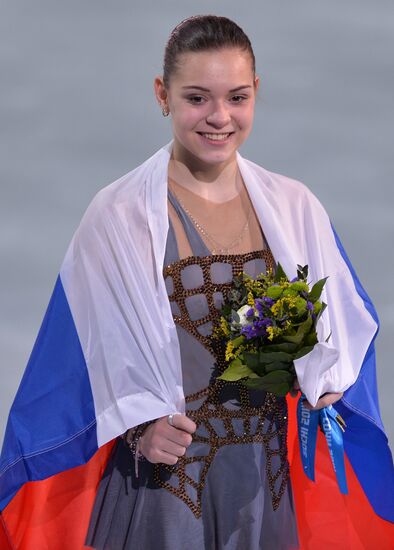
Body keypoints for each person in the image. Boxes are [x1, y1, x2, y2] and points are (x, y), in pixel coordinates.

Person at [0, 14, 393, 550]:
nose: (219, 118)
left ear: (257, 91)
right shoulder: (119, 216)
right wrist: (139, 428)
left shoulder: (295, 207)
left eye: (236, 97)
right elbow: (76, 364)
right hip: (164, 492)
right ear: (162, 95)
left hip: (264, 489)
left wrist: (326, 380)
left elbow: (343, 329)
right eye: (196, 98)